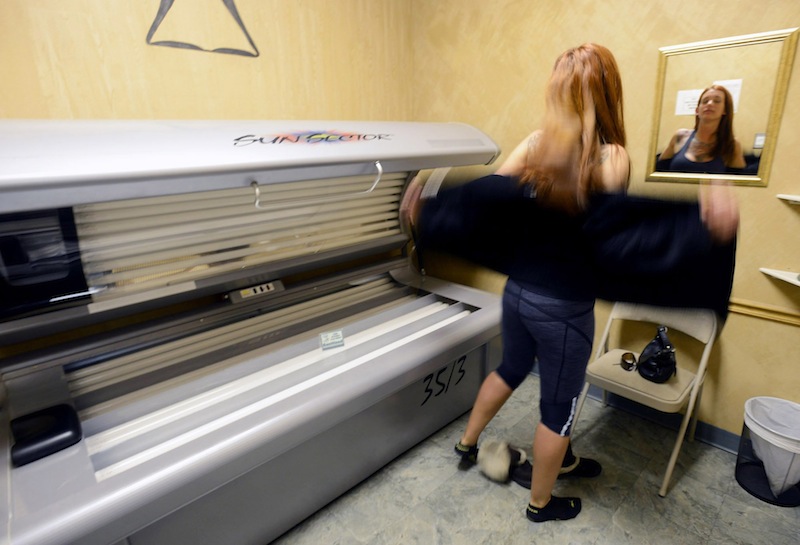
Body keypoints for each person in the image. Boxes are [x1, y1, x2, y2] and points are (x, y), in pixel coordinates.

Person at [400, 44, 739, 525]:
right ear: (609, 93)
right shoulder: (613, 157)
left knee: (511, 367)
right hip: (563, 308)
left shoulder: (538, 143)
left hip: (518, 293)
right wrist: (700, 233)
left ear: (558, 93)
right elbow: (613, 236)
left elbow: (489, 198)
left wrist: (430, 210)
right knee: (559, 407)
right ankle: (541, 503)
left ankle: (467, 442)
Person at [656, 84, 746, 174]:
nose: (710, 103)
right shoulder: (680, 136)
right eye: (705, 101)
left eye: (717, 101)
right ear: (697, 110)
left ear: (725, 110)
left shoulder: (732, 145)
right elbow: (658, 170)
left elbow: (739, 183)